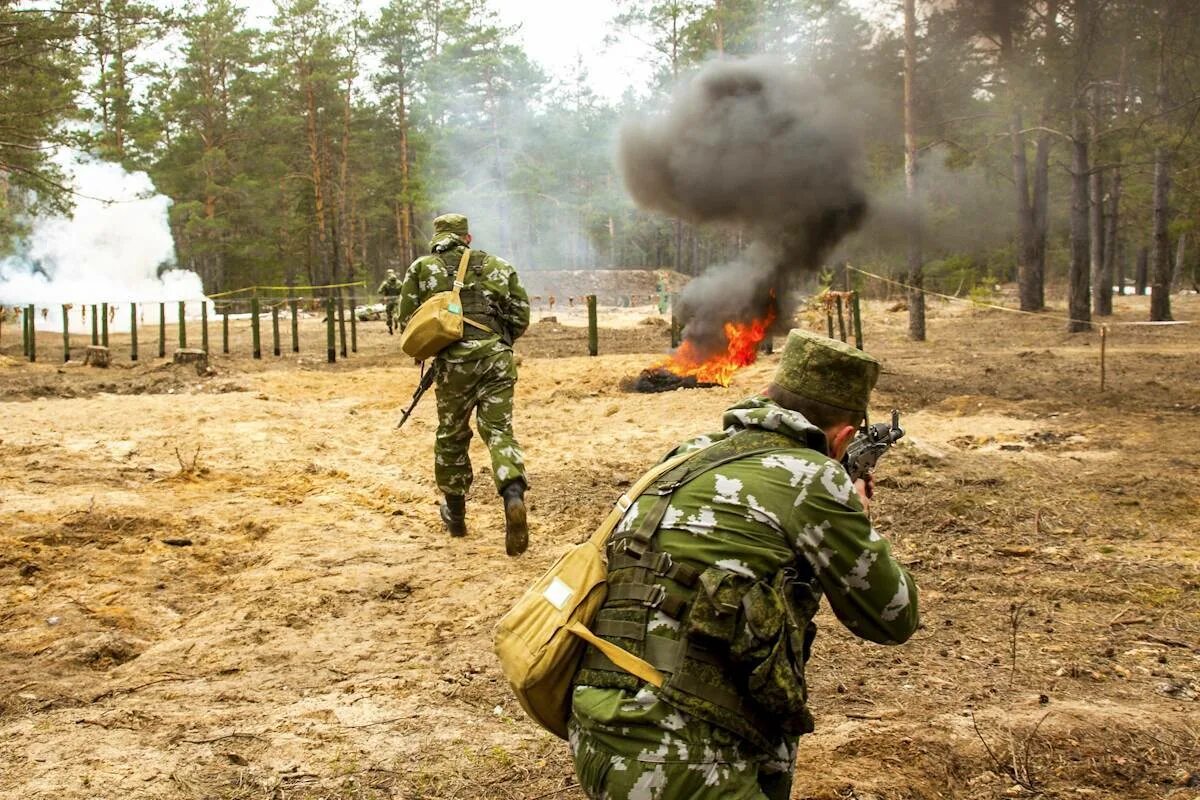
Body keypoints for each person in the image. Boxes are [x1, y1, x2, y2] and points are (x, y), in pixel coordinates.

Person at [567, 328, 920, 799]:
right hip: (683, 749)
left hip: (596, 724)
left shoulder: (689, 454)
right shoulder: (814, 478)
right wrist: (857, 516)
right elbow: (893, 617)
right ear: (846, 437)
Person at [397, 213, 532, 556]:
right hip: (497, 360)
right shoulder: (498, 265)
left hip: (453, 366)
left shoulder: (422, 269)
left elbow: (407, 319)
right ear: (467, 238)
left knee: (452, 434)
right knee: (499, 431)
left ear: (437, 238)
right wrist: (498, 341)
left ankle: (455, 515)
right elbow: (520, 315)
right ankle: (513, 496)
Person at [377, 268, 403, 334]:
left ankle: (390, 328)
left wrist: (384, 295)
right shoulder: (399, 283)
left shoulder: (385, 283)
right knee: (396, 312)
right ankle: (396, 318)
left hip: (388, 300)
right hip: (397, 300)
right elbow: (403, 291)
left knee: (388, 315)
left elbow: (379, 291)